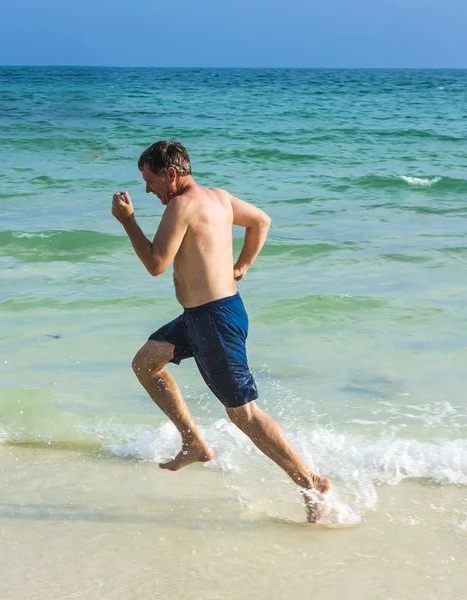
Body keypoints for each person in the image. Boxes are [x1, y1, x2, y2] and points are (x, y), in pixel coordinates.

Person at [111, 139, 329, 520]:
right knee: (146, 364)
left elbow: (156, 264)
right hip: (203, 316)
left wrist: (128, 221)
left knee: (244, 414)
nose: (148, 190)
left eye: (150, 181)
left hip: (214, 320)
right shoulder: (220, 198)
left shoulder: (181, 205)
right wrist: (243, 266)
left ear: (172, 174)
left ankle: (310, 482)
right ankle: (193, 442)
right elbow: (261, 221)